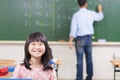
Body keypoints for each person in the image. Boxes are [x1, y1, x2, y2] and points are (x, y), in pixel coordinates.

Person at [68, 0, 104, 80]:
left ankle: (79, 78)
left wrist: (70, 41)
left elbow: (73, 29)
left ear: (78, 4)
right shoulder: (91, 13)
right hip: (88, 38)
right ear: (86, 4)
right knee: (89, 59)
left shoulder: (76, 15)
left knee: (79, 60)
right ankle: (89, 77)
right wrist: (100, 9)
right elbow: (100, 17)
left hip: (80, 39)